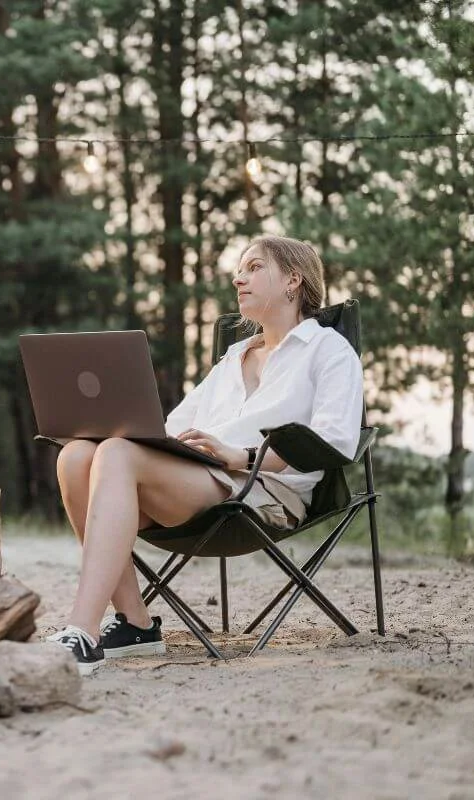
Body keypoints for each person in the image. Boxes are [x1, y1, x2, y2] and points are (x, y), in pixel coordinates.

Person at [46, 236, 364, 675]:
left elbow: (335, 442)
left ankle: (81, 632)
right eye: (240, 269)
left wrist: (242, 456)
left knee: (116, 455)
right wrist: (112, 429)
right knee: (77, 457)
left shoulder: (328, 351)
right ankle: (136, 625)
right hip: (201, 481)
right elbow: (169, 430)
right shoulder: (231, 359)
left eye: (254, 267)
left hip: (264, 493)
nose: (239, 278)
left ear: (294, 280)